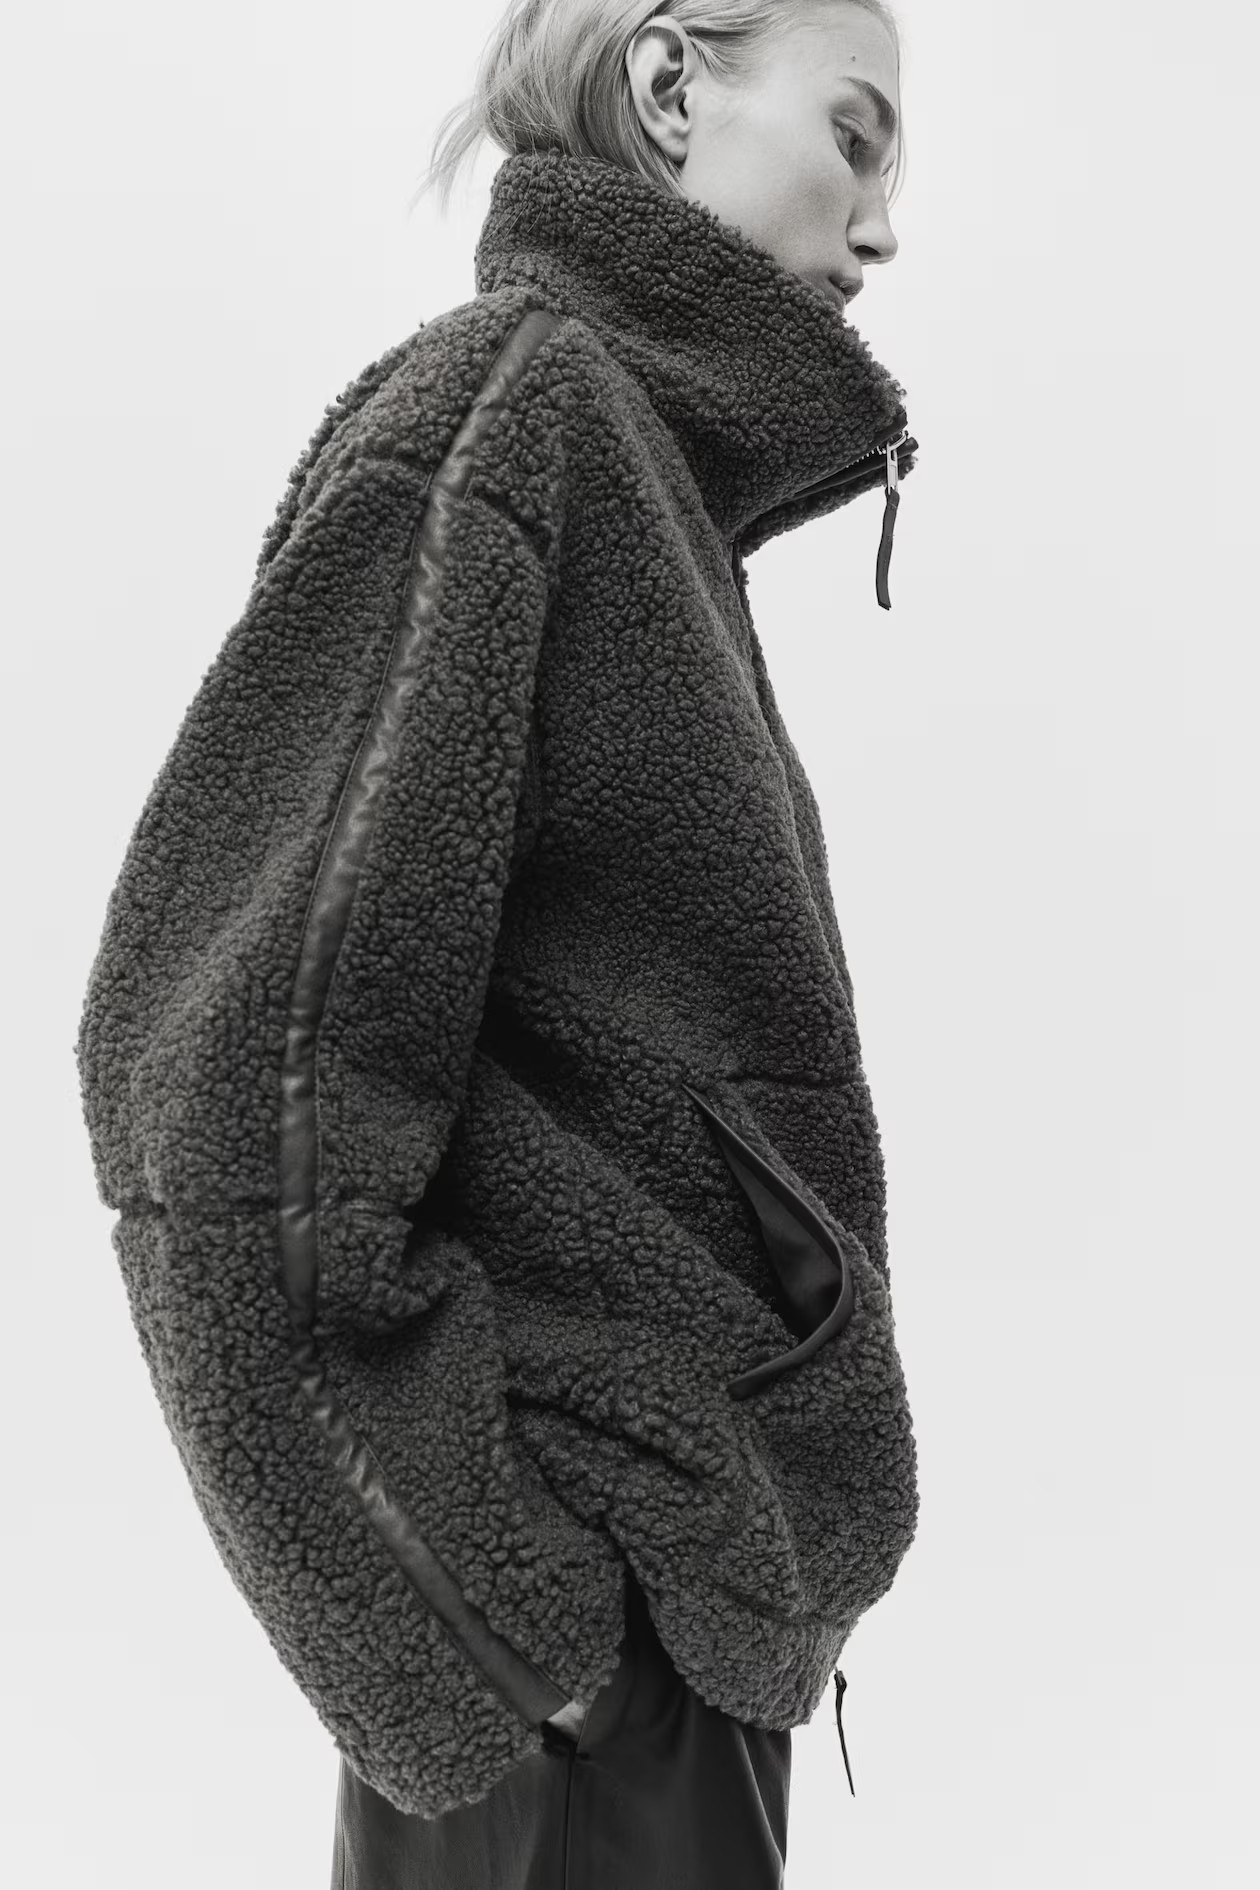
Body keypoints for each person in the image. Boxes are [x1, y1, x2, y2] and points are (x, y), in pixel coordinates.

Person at [75, 2, 921, 1885]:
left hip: (667, 1624)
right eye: (855, 137)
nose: (883, 227)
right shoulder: (511, 420)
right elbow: (223, 1083)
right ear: (674, 85)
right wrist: (512, 1633)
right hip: (579, 1656)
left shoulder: (636, 482)